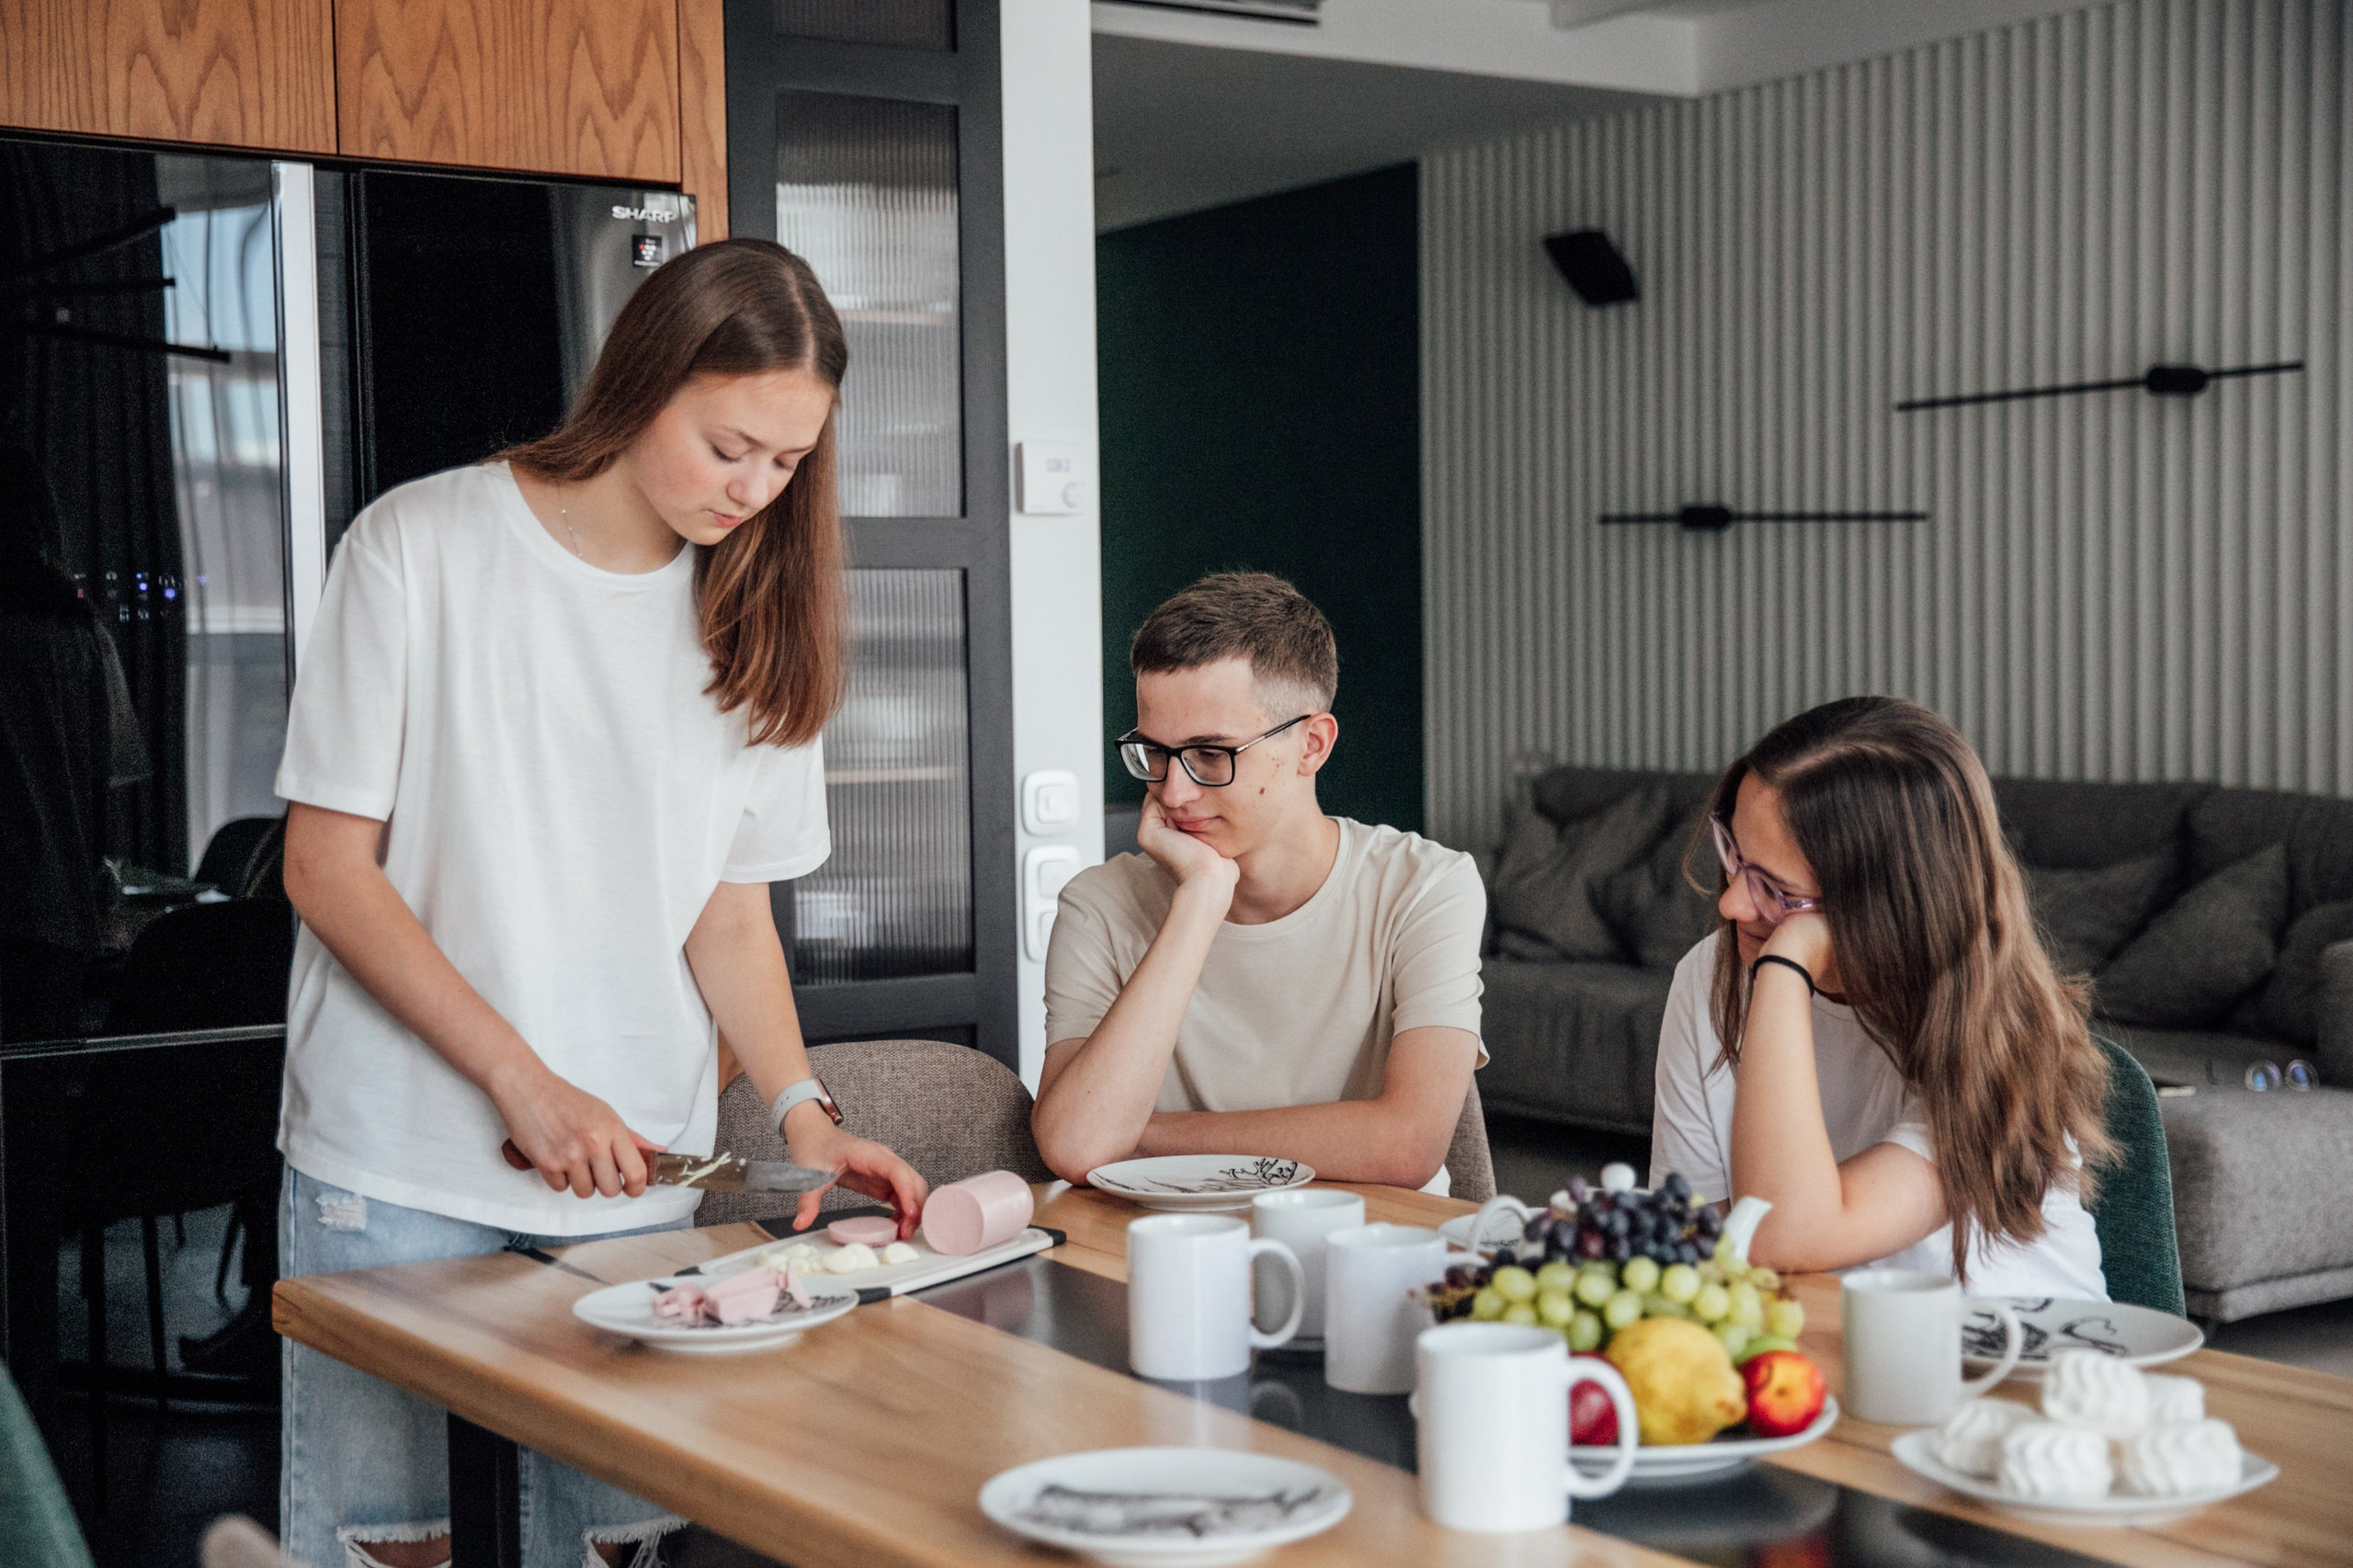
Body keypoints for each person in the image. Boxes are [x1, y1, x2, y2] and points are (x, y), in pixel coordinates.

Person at [274, 239, 926, 1568]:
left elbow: (723, 911)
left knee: (609, 1544)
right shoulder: (421, 546)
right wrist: (524, 1081)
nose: (755, 490)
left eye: (789, 462)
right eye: (730, 444)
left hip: (635, 1172)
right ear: (644, 380)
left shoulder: (759, 619)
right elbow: (326, 868)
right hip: (398, 1163)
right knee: (403, 1547)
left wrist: (803, 1110)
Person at [1032, 572, 1484, 1192]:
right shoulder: (1099, 906)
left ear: (1311, 746)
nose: (1173, 792)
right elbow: (1076, 1146)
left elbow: (1406, 1148)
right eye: (1155, 754)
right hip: (1158, 1255)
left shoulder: (1426, 887)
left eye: (1211, 754)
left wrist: (1136, 1135)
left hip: (1370, 1255)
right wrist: (1200, 900)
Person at [1649, 696, 2112, 1298]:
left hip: (2018, 1362)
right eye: (1734, 854)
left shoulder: (1999, 1035)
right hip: (1831, 1346)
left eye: (1774, 889)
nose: (1731, 903)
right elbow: (1706, 1238)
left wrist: (1785, 964)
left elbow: (1783, 1236)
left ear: (1884, 907)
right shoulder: (1708, 978)